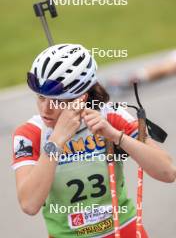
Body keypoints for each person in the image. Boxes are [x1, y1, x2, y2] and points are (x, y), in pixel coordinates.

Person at [12, 44, 176, 238]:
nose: (45, 109)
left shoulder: (110, 116)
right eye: (41, 97)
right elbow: (29, 204)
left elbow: (167, 172)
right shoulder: (29, 133)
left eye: (56, 100)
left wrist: (116, 136)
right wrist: (56, 141)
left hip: (122, 229)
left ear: (81, 98)